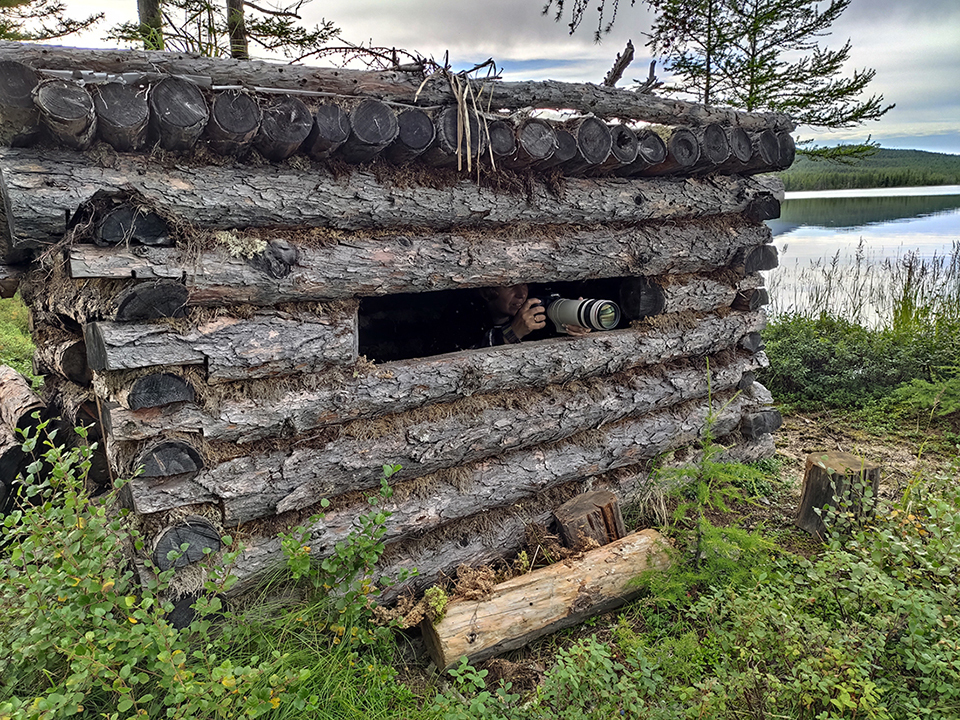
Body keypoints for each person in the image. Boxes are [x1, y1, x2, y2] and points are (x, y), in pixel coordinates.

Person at [475, 283, 591, 347]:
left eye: (523, 283)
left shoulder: (535, 311)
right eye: (510, 285)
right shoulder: (467, 317)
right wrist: (512, 333)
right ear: (485, 293)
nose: (521, 294)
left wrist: (575, 321)